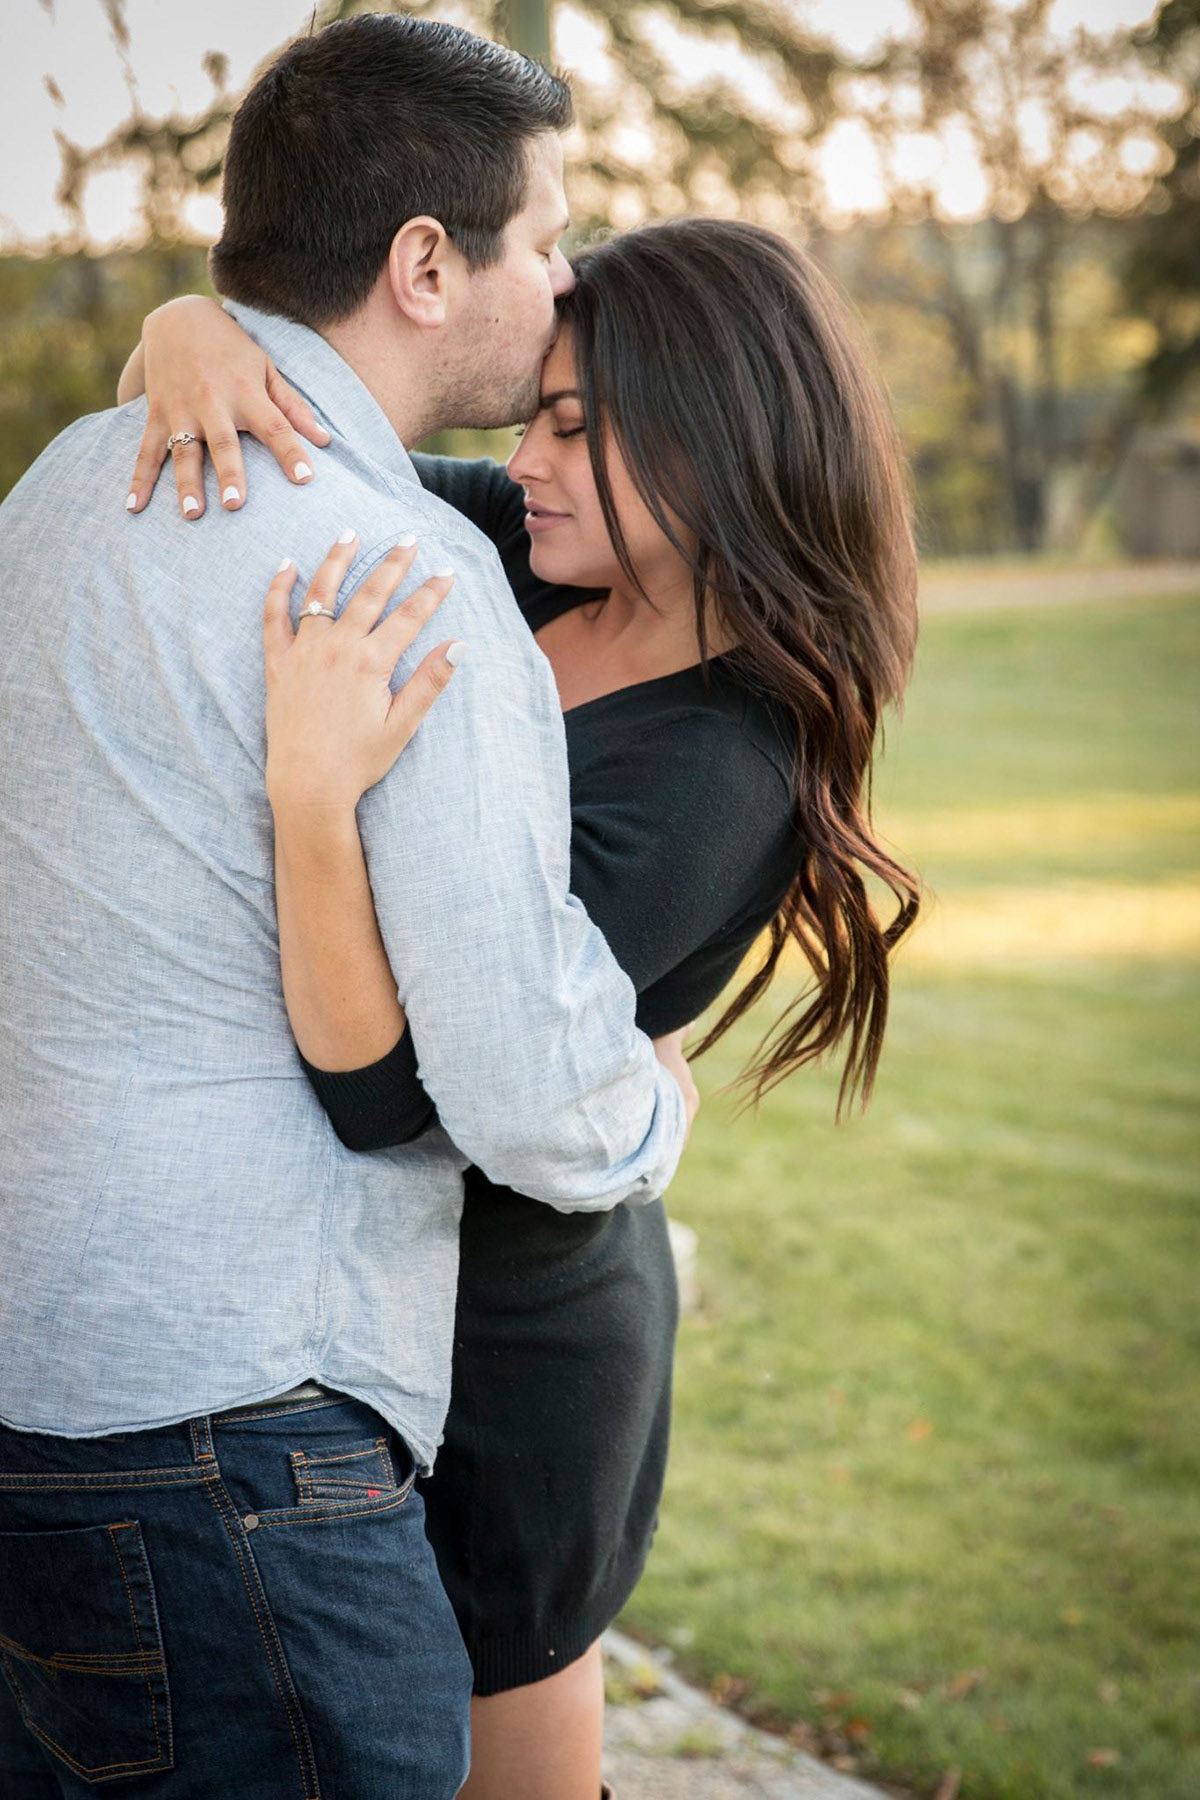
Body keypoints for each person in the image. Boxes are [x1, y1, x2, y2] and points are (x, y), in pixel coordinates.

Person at [124, 211, 922, 1798]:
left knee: (508, 1757)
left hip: (518, 1335)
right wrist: (187, 330)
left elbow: (385, 1092)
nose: (527, 452)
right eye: (530, 414)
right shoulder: (527, 547)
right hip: (368, 1281)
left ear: (715, 435)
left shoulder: (718, 769)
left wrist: (313, 800)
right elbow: (309, 442)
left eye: (571, 424)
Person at [0, 17, 695, 1799]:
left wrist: (190, 317)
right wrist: (662, 1102)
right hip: (241, 1447)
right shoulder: (415, 587)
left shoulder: (60, 494)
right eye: (544, 240)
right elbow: (527, 1089)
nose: (560, 285)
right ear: (423, 261)